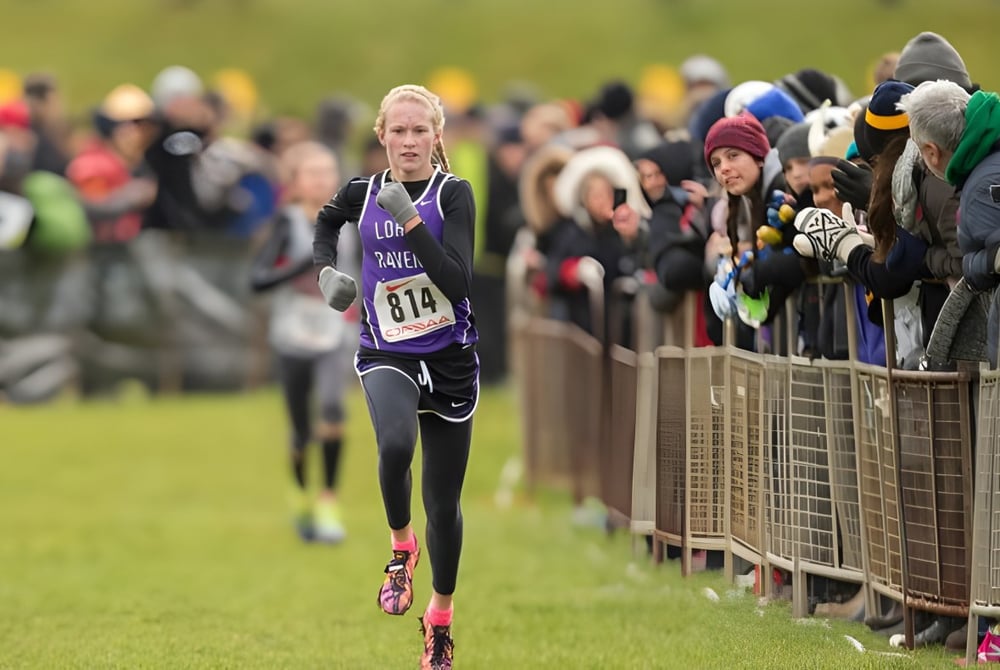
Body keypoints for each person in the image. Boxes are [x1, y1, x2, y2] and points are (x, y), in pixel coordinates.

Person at [313, 84, 477, 670]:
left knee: (445, 504)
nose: (409, 142)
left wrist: (409, 220)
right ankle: (400, 547)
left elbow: (456, 283)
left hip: (451, 358)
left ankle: (439, 618)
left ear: (437, 137)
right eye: (399, 131)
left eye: (420, 131)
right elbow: (325, 223)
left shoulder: (453, 194)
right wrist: (326, 272)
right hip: (388, 351)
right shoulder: (361, 192)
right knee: (396, 444)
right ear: (381, 136)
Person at [251, 140, 354, 544]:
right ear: (293, 183)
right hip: (293, 332)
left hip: (334, 332)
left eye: (329, 171)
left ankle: (329, 500)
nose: (323, 180)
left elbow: (365, 270)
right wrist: (301, 264)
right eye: (312, 173)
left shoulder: (350, 222)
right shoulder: (287, 223)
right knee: (300, 427)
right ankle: (300, 493)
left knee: (332, 409)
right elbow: (257, 279)